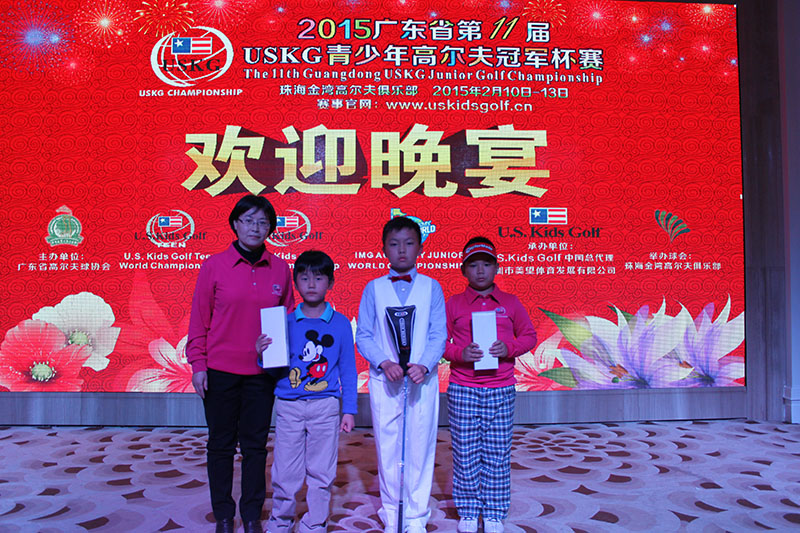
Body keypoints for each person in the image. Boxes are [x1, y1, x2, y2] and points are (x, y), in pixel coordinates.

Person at [187, 194, 294, 533]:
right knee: (220, 445)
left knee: (255, 447)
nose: (255, 228)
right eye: (249, 221)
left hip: (261, 374)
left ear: (271, 229)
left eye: (263, 222)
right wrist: (198, 364)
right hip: (220, 372)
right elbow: (199, 320)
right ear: (235, 224)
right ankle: (223, 514)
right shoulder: (214, 266)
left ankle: (250, 515)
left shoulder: (280, 269)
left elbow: (288, 320)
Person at [254, 250, 358, 533]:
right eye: (304, 278)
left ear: (331, 282)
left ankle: (315, 521)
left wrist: (349, 410)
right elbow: (273, 368)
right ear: (296, 282)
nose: (311, 284)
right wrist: (262, 355)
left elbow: (348, 369)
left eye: (319, 277)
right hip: (289, 405)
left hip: (325, 405)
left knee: (321, 469)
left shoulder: (340, 323)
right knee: (285, 469)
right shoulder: (284, 321)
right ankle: (281, 519)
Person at [356, 216, 447, 533]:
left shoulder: (432, 287)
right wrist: (383, 362)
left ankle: (416, 516)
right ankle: (392, 512)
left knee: (421, 445)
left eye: (409, 243)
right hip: (386, 381)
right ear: (384, 249)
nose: (402, 250)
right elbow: (364, 335)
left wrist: (425, 364)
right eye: (394, 244)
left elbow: (438, 334)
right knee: (388, 446)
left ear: (420, 248)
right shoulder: (374, 288)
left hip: (422, 380)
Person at [444, 237, 537, 533]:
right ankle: (469, 511)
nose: (481, 270)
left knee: (497, 453)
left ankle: (494, 512)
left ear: (497, 268)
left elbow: (529, 336)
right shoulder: (454, 304)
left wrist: (508, 348)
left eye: (487, 264)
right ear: (463, 270)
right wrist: (460, 353)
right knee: (465, 453)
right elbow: (439, 343)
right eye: (474, 265)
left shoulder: (510, 303)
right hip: (463, 387)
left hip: (500, 387)